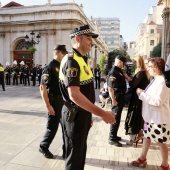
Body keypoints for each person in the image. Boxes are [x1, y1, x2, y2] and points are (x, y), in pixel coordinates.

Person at [59, 24, 115, 170]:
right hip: (75, 114)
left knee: (79, 153)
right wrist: (102, 113)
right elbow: (75, 95)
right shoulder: (72, 61)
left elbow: (84, 92)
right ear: (78, 38)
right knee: (74, 158)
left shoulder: (80, 59)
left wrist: (88, 115)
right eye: (89, 38)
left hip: (81, 114)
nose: (92, 41)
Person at [131, 57, 170, 170]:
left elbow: (158, 101)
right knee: (147, 137)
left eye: (150, 66)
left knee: (161, 142)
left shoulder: (163, 81)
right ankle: (142, 158)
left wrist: (141, 94)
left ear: (158, 68)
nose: (148, 68)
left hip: (159, 119)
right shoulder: (155, 79)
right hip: (151, 117)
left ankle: (165, 165)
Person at [39, 45, 68, 159]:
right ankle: (44, 146)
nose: (65, 55)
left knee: (66, 127)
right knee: (52, 127)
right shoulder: (49, 67)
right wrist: (48, 106)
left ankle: (66, 150)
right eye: (63, 53)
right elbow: (42, 87)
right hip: (54, 101)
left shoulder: (62, 66)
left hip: (63, 101)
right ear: (57, 53)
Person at [125, 56, 150, 146]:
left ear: (138, 62)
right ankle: (139, 135)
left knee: (133, 117)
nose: (134, 63)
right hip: (141, 99)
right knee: (138, 117)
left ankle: (133, 139)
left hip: (137, 99)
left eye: (134, 62)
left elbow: (133, 85)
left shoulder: (140, 73)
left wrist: (128, 78)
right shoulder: (144, 73)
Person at [107, 55, 127, 147]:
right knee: (115, 118)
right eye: (123, 63)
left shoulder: (118, 71)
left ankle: (114, 135)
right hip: (117, 98)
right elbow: (110, 88)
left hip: (120, 97)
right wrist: (113, 100)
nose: (123, 65)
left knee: (117, 118)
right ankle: (112, 138)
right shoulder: (113, 72)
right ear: (119, 61)